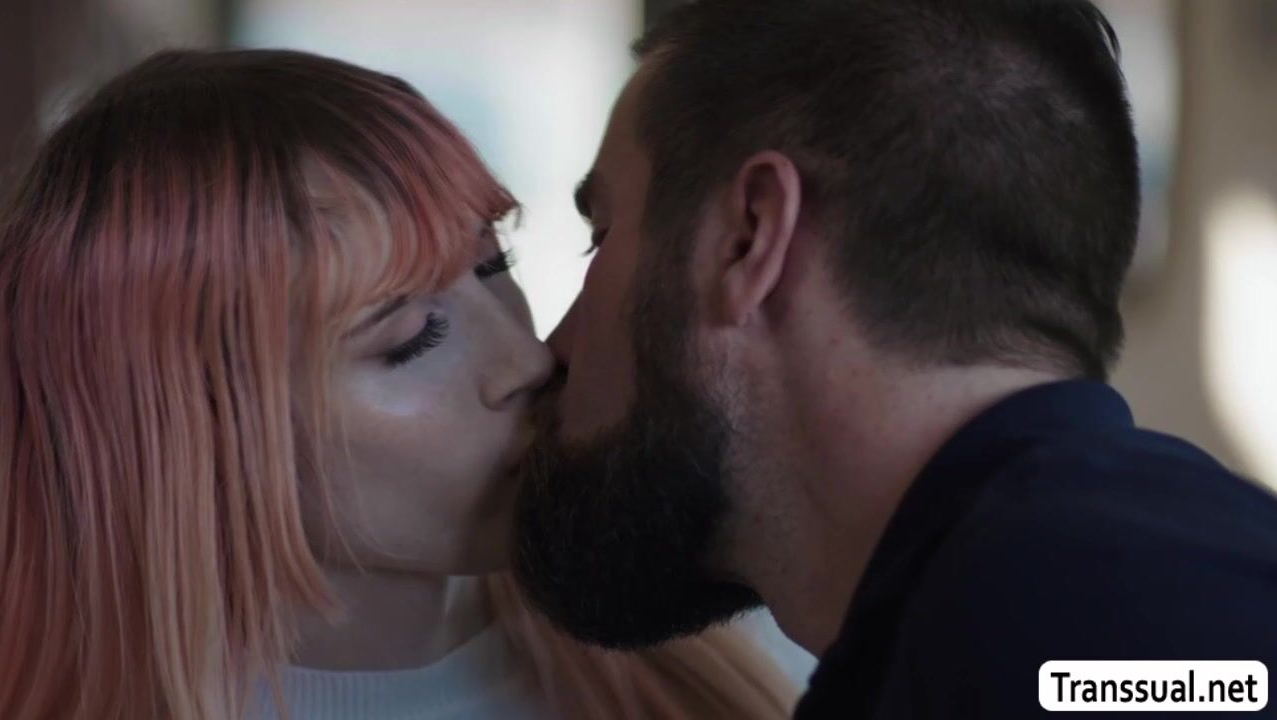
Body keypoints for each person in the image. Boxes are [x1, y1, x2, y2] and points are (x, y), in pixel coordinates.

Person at [512, 0, 1277, 717]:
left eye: (602, 237)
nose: (550, 350)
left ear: (748, 237)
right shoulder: (1090, 590)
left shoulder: (1074, 624)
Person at [0, 49, 798, 720]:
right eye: (412, 337)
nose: (530, 359)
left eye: (495, 267)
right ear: (187, 425)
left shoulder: (702, 661)